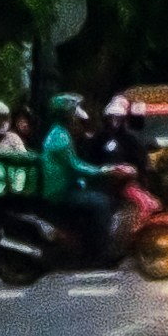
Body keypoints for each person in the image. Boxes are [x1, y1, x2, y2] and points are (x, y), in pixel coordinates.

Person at [38, 99, 123, 261]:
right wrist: (104, 170)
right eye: (73, 112)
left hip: (67, 186)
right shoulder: (60, 138)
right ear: (66, 114)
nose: (76, 117)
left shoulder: (60, 133)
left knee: (98, 195)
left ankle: (87, 244)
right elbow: (74, 166)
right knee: (102, 203)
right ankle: (100, 252)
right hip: (60, 192)